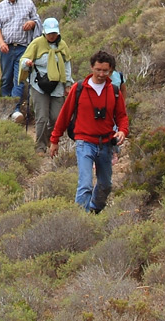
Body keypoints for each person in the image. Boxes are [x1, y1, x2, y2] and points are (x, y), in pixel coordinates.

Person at [49, 49, 128, 213]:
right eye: (98, 69)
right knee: (85, 184)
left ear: (111, 71)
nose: (101, 73)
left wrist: (122, 131)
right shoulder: (79, 89)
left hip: (106, 144)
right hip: (84, 143)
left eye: (105, 70)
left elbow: (121, 116)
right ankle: (80, 221)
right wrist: (54, 140)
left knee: (105, 185)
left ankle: (94, 210)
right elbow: (65, 115)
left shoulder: (114, 91)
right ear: (91, 67)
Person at [20, 17, 73, 152]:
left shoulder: (62, 46)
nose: (51, 36)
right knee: (42, 117)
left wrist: (67, 84)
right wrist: (27, 63)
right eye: (49, 33)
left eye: (54, 33)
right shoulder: (36, 44)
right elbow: (24, 59)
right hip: (39, 86)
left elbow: (67, 66)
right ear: (44, 32)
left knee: (57, 117)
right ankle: (40, 146)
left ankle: (51, 139)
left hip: (57, 86)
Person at [0, 0, 40, 118]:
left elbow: (37, 20)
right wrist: (1, 43)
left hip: (23, 48)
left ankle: (16, 109)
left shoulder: (28, 4)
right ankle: (6, 107)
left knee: (19, 78)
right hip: (6, 48)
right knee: (6, 78)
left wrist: (31, 23)